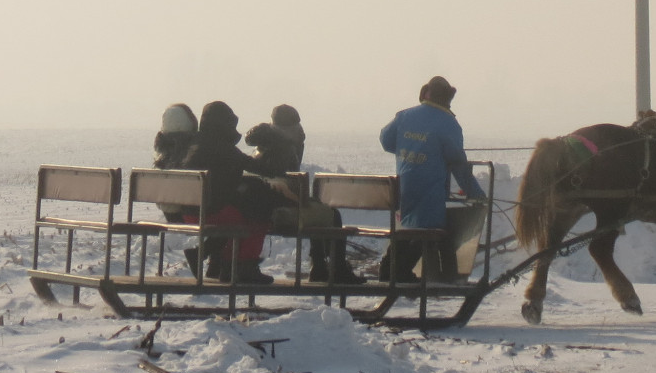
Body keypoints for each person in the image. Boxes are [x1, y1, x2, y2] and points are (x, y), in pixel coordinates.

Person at [378, 76, 484, 283]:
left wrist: (407, 151)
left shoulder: (404, 116)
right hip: (429, 192)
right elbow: (458, 165)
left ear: (426, 93)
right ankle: (407, 272)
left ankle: (387, 269)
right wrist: (476, 194)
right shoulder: (449, 124)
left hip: (404, 188)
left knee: (407, 227)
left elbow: (386, 140)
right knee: (430, 229)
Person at [165, 101, 278, 285]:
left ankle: (222, 264)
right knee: (255, 217)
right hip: (211, 213)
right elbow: (257, 167)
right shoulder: (222, 146)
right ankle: (243, 267)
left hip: (189, 213)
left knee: (236, 214)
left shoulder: (195, 143)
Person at [247, 104, 359, 284]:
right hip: (278, 212)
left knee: (316, 209)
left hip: (256, 209)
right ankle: (332, 268)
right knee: (331, 215)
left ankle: (320, 267)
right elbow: (288, 185)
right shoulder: (285, 148)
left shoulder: (260, 147)